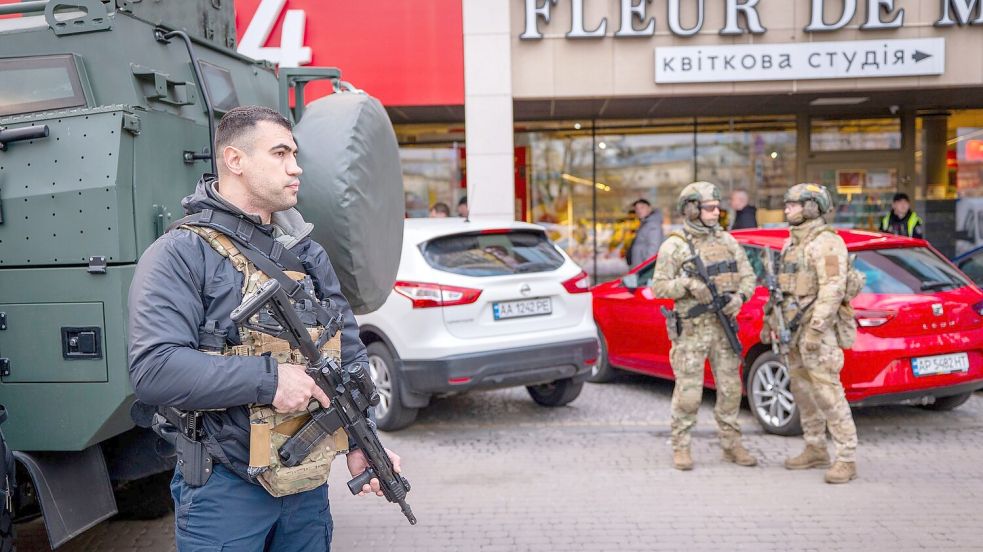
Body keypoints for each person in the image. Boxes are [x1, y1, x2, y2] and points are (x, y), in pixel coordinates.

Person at [127, 106, 401, 551]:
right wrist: (270, 381)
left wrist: (360, 437)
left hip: (304, 487)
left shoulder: (307, 255)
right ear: (235, 160)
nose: (296, 167)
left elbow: (347, 354)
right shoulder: (180, 252)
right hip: (224, 489)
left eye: (295, 154)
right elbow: (154, 369)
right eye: (280, 153)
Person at [651, 182, 757, 471]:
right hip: (692, 329)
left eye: (717, 207)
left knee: (731, 389)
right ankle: (681, 446)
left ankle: (731, 444)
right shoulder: (675, 245)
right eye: (709, 207)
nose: (716, 212)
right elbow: (658, 287)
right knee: (689, 393)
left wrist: (740, 298)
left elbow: (749, 277)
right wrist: (687, 284)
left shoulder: (727, 241)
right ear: (693, 209)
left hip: (723, 329)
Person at [769, 183, 859, 484]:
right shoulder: (791, 244)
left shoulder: (827, 243)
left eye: (793, 204)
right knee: (803, 391)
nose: (787, 209)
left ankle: (846, 457)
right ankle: (815, 447)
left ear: (811, 207)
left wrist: (817, 330)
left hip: (816, 334)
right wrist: (771, 322)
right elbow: (782, 289)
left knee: (828, 393)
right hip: (792, 331)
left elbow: (833, 290)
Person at [626, 198, 664, 267]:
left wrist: (645, 267)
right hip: (639, 266)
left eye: (642, 207)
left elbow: (653, 249)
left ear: (649, 208)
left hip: (644, 269)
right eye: (637, 209)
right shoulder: (645, 224)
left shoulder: (653, 225)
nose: (639, 211)